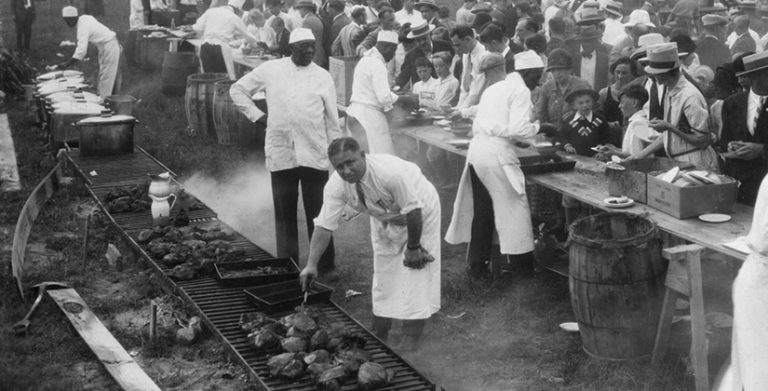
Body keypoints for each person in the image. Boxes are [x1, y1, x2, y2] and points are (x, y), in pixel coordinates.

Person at [299, 137, 441, 352]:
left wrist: (413, 248)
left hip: (419, 209)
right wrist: (311, 264)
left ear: (363, 155)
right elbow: (324, 226)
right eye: (339, 167)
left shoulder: (390, 173)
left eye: (350, 163)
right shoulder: (336, 186)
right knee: (384, 269)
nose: (346, 171)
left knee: (415, 269)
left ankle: (411, 334)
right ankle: (380, 330)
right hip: (383, 214)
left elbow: (413, 210)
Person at [230, 27, 340, 276]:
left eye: (312, 45)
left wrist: (336, 154)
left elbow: (332, 120)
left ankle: (324, 263)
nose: (310, 50)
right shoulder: (271, 70)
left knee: (319, 212)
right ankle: (287, 264)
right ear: (291, 48)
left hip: (314, 151)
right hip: (282, 151)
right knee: (284, 211)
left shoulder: (323, 76)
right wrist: (258, 116)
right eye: (303, 46)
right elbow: (237, 90)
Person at [445, 50, 544, 279]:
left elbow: (482, 111)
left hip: (477, 152)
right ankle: (522, 272)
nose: (538, 81)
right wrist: (540, 128)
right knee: (515, 209)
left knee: (483, 209)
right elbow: (519, 131)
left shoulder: (494, 88)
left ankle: (477, 267)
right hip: (496, 154)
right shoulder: (519, 90)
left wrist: (462, 111)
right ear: (526, 72)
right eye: (536, 75)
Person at [628, 43, 720, 172]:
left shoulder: (690, 96)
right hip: (678, 161)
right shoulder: (670, 91)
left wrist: (670, 127)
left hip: (695, 161)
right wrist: (638, 156)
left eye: (656, 73)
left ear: (666, 73)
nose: (652, 76)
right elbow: (667, 135)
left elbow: (703, 141)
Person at [347, 30, 412, 154]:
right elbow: (384, 98)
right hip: (368, 117)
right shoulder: (377, 64)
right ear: (386, 47)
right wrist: (404, 99)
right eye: (393, 51)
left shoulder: (365, 60)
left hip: (355, 114)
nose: (393, 55)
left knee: (362, 157)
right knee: (381, 158)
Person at [719, 54, 768, 206]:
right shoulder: (732, 103)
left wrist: (761, 150)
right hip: (743, 185)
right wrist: (733, 146)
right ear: (754, 76)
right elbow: (725, 140)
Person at [50, 6, 121, 98]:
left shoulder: (82, 27)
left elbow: (82, 50)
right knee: (106, 74)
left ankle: (105, 102)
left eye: (69, 20)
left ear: (75, 18)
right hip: (106, 44)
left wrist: (67, 64)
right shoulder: (85, 18)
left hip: (110, 45)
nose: (67, 23)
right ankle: (110, 98)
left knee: (106, 77)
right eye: (66, 20)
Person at [194, 0, 260, 79]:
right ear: (237, 10)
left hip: (205, 47)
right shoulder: (233, 17)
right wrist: (258, 44)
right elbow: (248, 36)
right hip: (220, 49)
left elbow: (196, 28)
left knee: (208, 78)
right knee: (223, 78)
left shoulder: (210, 12)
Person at [534, 48, 591, 127]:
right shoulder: (547, 87)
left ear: (569, 70)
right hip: (553, 134)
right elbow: (539, 112)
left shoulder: (582, 85)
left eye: (560, 70)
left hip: (577, 133)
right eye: (553, 71)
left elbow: (590, 113)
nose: (556, 73)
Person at [394, 21, 452, 89]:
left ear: (429, 35)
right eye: (418, 41)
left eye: (424, 39)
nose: (422, 42)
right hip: (422, 94)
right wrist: (395, 88)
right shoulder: (410, 56)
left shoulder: (445, 46)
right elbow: (403, 76)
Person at [559, 89, 612, 157]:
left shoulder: (600, 120)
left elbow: (608, 138)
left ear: (592, 102)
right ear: (574, 106)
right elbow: (561, 136)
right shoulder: (568, 120)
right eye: (580, 103)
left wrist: (602, 149)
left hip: (595, 157)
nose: (585, 105)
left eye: (588, 101)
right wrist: (567, 146)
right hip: (573, 156)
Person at [452, 25, 487, 115]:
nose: (457, 49)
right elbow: (465, 87)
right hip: (468, 106)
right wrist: (458, 108)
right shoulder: (466, 54)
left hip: (481, 105)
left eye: (458, 45)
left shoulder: (483, 56)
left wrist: (461, 112)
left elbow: (476, 90)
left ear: (468, 39)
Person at [599, 57, 637, 127]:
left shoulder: (636, 93)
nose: (620, 76)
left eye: (624, 73)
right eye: (618, 72)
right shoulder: (604, 93)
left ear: (632, 74)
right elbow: (598, 117)